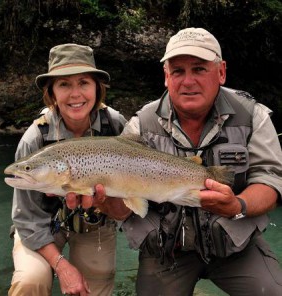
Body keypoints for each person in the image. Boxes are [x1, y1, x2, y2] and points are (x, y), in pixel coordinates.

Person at [68, 28, 282, 295]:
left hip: (237, 246)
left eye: (199, 69)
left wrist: (236, 205)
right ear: (166, 77)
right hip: (166, 251)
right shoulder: (140, 125)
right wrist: (106, 202)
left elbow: (270, 181)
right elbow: (125, 210)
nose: (188, 81)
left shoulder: (254, 116)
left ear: (222, 71)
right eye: (178, 71)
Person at [8, 43, 131, 296]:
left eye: (84, 82)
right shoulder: (34, 138)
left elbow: (132, 190)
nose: (75, 94)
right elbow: (26, 219)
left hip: (95, 223)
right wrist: (62, 267)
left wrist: (111, 203)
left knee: (92, 289)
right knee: (31, 280)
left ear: (98, 88)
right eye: (64, 84)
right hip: (41, 224)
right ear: (51, 93)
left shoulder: (116, 124)